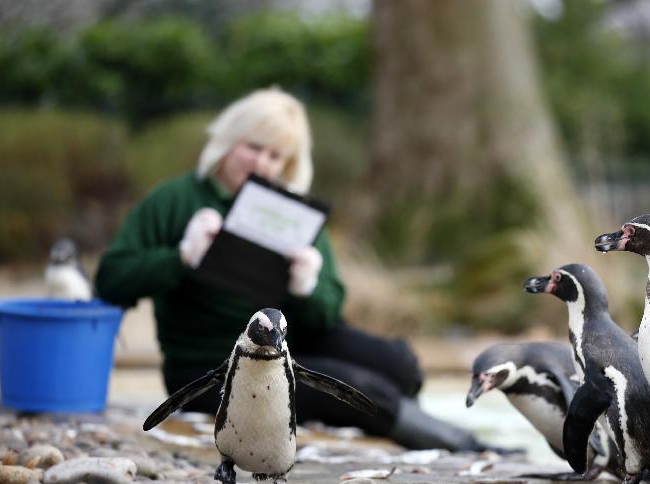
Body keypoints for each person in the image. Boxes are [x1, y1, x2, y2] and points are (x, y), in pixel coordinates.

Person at [96, 88, 493, 452]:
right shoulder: (174, 200)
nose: (261, 163)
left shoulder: (290, 211)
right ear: (228, 141)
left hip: (291, 340)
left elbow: (329, 313)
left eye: (275, 156)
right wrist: (181, 257)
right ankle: (462, 446)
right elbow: (111, 281)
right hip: (206, 368)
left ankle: (414, 425)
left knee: (398, 364)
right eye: (253, 147)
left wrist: (308, 284)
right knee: (351, 386)